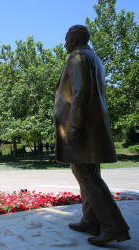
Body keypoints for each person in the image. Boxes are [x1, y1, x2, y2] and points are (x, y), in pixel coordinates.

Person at [54, 25, 130, 246]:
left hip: (84, 127)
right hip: (94, 127)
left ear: (75, 38)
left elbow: (80, 92)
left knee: (85, 172)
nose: (64, 43)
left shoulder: (78, 56)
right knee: (88, 170)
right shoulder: (93, 56)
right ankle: (90, 219)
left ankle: (114, 227)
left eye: (66, 38)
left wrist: (73, 127)